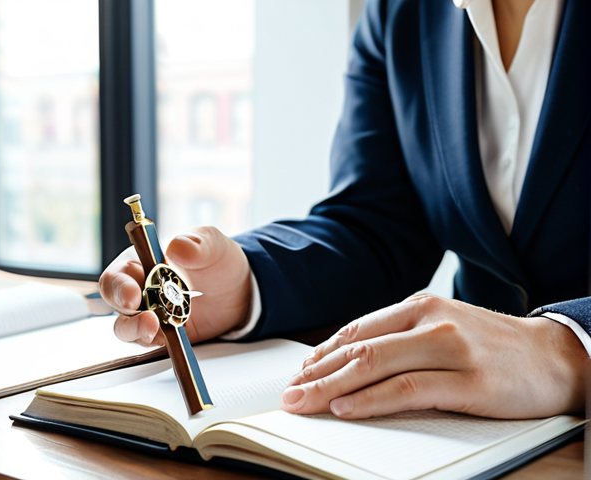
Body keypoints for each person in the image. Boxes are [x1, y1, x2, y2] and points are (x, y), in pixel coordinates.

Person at [100, 0, 590, 420]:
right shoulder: (403, 10)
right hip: (465, 429)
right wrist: (249, 285)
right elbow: (377, 224)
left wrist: (568, 347)